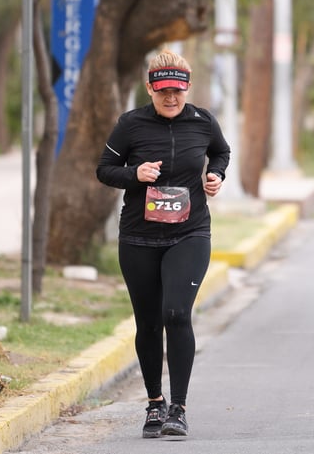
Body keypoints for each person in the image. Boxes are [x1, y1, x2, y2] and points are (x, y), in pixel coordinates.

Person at [96, 48, 230, 439]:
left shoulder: (203, 122)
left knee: (176, 314)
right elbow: (104, 169)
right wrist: (135, 174)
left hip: (189, 233)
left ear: (187, 88)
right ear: (150, 89)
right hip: (138, 236)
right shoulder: (131, 124)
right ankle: (154, 403)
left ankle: (179, 407)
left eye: (178, 91)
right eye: (162, 92)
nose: (171, 99)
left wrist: (216, 175)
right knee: (149, 322)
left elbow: (220, 152)